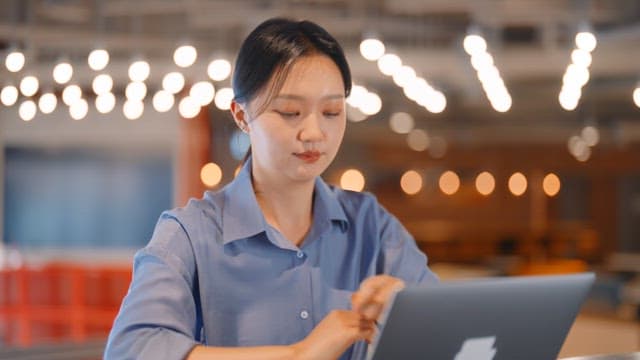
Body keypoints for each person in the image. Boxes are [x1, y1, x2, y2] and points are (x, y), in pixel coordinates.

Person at [105, 17, 438, 360]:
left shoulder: (370, 224)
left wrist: (408, 308)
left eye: (331, 111)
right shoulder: (191, 233)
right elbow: (131, 351)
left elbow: (454, 329)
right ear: (241, 115)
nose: (314, 132)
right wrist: (299, 354)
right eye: (290, 112)